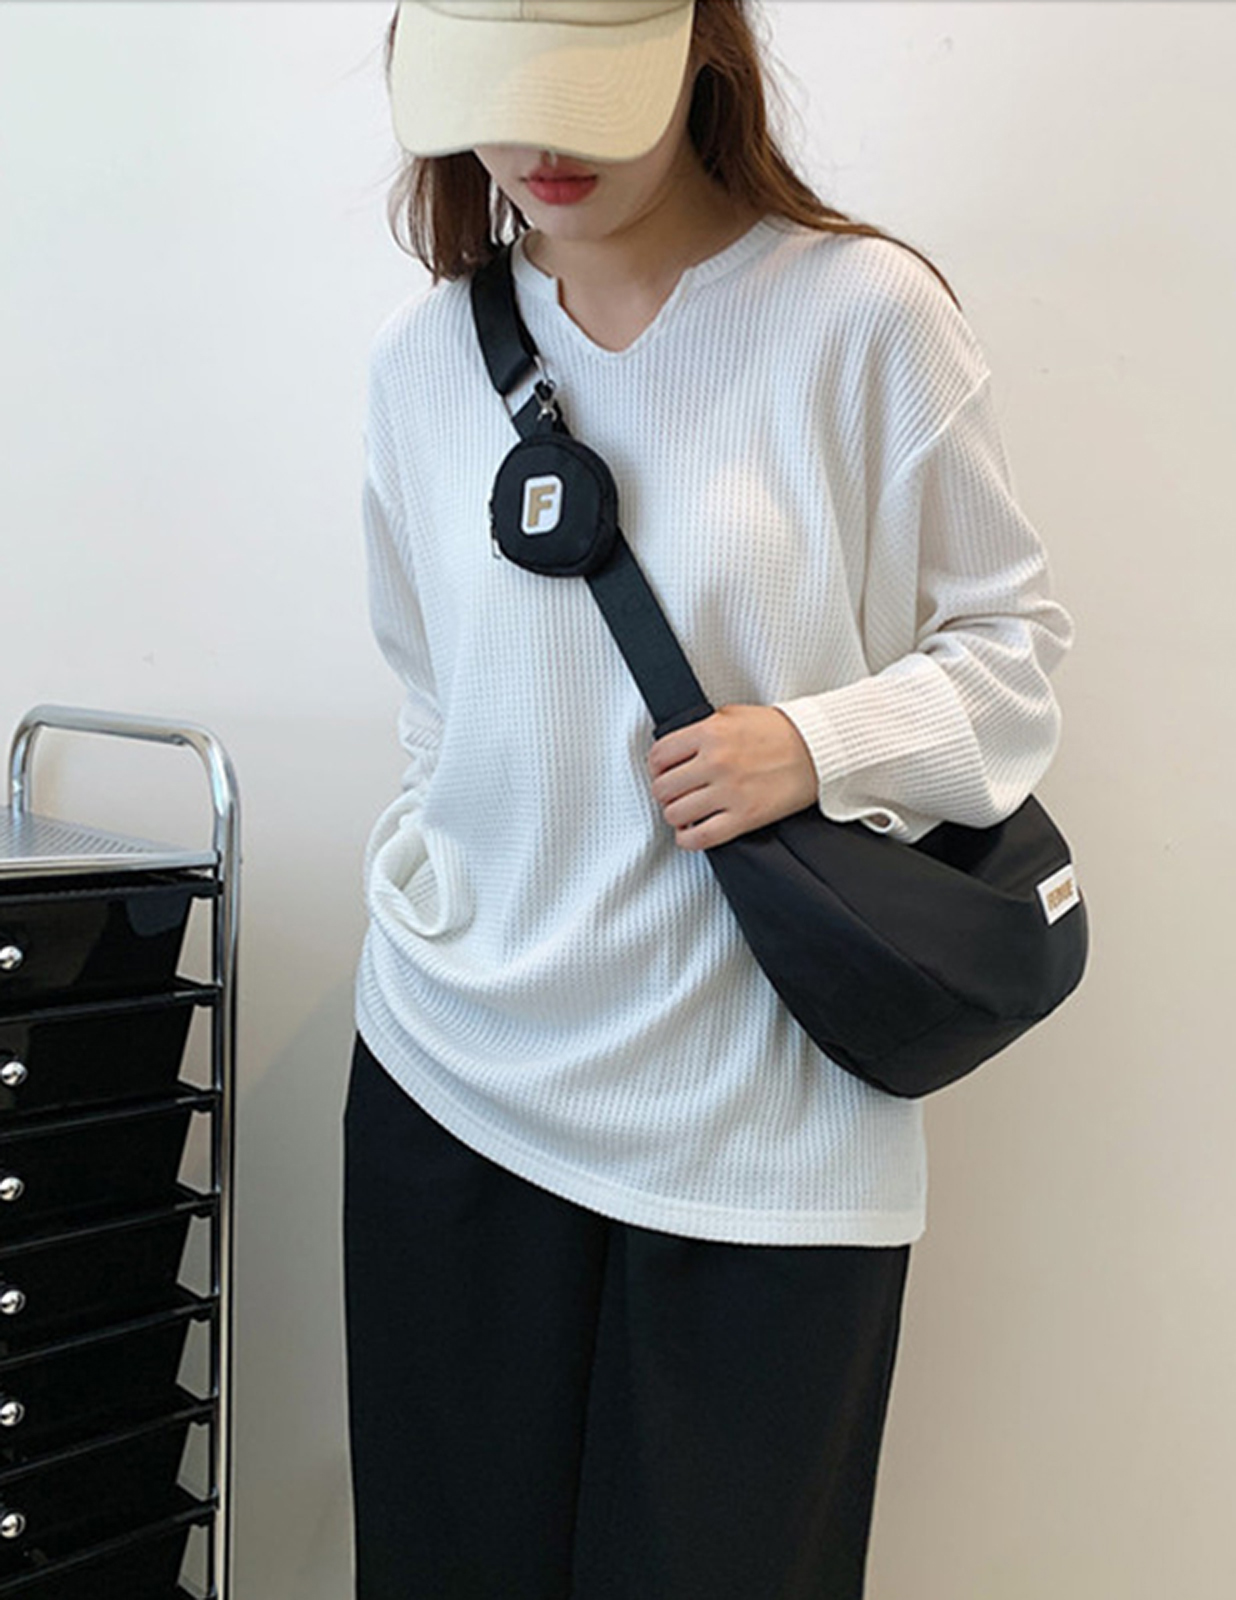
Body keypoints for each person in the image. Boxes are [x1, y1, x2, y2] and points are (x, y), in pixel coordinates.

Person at [342, 2, 1073, 1596]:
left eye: (586, 92)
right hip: (454, 1079)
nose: (539, 145)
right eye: (498, 95)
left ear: (700, 52)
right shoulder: (420, 363)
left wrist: (815, 745)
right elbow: (433, 705)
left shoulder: (861, 318)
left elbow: (1015, 662)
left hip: (763, 1121)